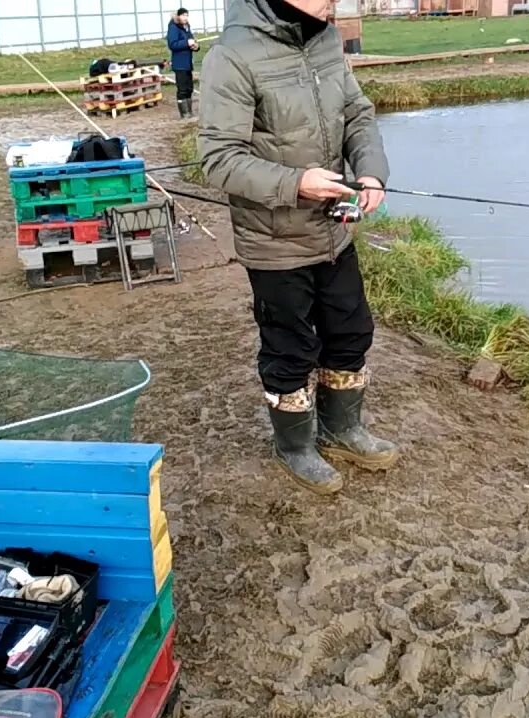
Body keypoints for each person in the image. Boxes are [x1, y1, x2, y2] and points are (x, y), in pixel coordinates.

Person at [197, 0, 397, 495]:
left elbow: (357, 113)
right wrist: (296, 183)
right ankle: (295, 447)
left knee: (351, 331)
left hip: (334, 231)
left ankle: (343, 429)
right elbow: (219, 159)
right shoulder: (233, 55)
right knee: (290, 349)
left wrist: (370, 171)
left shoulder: (326, 39)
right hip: (274, 242)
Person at [166, 8, 199, 118]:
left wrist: (195, 46)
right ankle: (184, 114)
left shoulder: (186, 27)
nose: (185, 17)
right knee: (182, 89)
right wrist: (186, 42)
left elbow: (191, 39)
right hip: (179, 64)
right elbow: (173, 44)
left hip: (188, 63)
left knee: (189, 88)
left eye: (187, 15)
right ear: (178, 16)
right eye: (183, 15)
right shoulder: (173, 27)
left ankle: (189, 111)